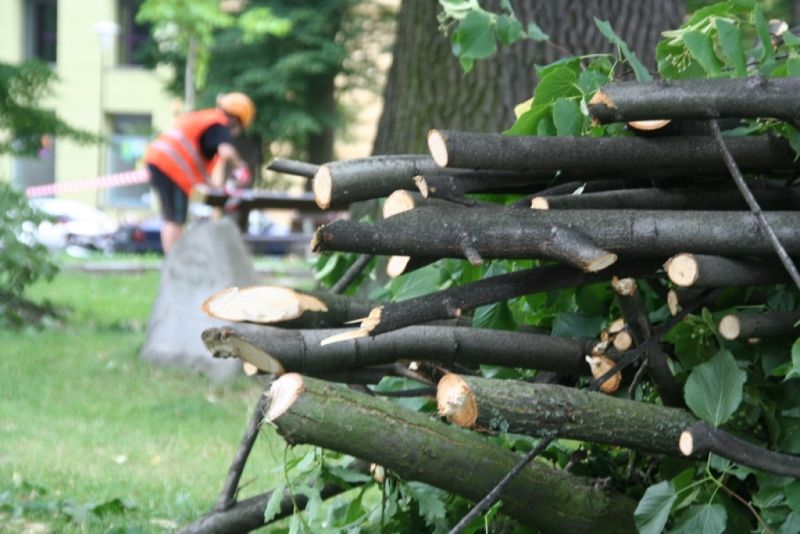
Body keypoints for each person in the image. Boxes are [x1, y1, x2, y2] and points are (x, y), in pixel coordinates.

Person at [144, 92, 255, 253]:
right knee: (175, 217)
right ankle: (174, 262)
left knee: (174, 215)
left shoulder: (205, 119)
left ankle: (175, 259)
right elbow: (227, 152)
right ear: (235, 118)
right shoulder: (219, 124)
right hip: (168, 168)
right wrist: (240, 166)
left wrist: (213, 185)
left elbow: (195, 162)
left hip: (160, 163)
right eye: (239, 126)